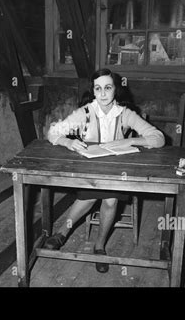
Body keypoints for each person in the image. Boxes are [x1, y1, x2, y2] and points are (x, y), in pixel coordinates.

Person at [45, 68, 165, 273]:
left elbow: (159, 138)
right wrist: (67, 142)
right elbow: (52, 132)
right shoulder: (85, 112)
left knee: (110, 199)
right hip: (91, 167)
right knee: (91, 195)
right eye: (98, 88)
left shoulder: (125, 113)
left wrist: (133, 139)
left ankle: (98, 245)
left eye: (107, 88)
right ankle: (64, 232)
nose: (102, 93)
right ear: (93, 91)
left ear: (115, 90)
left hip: (117, 169)